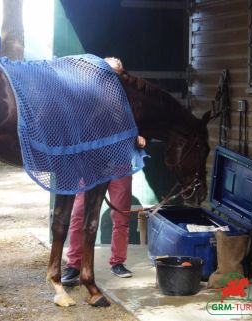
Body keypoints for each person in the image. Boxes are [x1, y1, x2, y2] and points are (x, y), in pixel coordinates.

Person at [62, 57, 146, 284]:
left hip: (119, 165)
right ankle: (73, 265)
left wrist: (138, 136)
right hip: (91, 166)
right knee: (79, 214)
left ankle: (118, 262)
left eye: (118, 74)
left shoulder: (127, 99)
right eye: (110, 73)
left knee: (120, 215)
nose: (114, 78)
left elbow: (136, 126)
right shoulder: (85, 98)